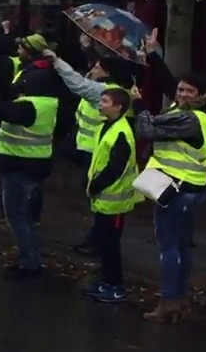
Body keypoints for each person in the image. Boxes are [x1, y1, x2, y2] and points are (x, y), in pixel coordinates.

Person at [135, 30, 206, 323]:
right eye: (180, 90)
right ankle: (179, 298)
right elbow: (170, 84)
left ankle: (169, 300)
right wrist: (155, 54)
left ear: (199, 96)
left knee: (168, 247)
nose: (181, 94)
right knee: (182, 246)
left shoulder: (186, 118)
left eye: (187, 92)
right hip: (191, 189)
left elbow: (147, 129)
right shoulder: (200, 113)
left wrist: (137, 104)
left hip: (175, 190)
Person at [0, 33, 64, 280]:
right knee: (24, 214)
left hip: (20, 166)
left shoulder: (30, 107)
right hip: (32, 164)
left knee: (16, 216)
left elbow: (1, 108)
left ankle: (29, 261)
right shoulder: (46, 103)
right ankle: (29, 257)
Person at [45, 45, 137, 254]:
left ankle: (99, 243)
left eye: (97, 67)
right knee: (96, 203)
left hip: (98, 151)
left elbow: (79, 85)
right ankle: (95, 238)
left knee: (100, 200)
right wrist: (86, 48)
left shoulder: (105, 92)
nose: (93, 69)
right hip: (90, 148)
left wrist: (57, 62)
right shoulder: (108, 88)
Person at [83, 87, 141, 304]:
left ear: (118, 107)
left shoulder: (121, 132)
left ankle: (115, 286)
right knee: (103, 243)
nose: (100, 104)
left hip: (114, 199)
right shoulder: (107, 126)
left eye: (105, 101)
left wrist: (96, 185)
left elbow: (115, 167)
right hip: (103, 198)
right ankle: (106, 281)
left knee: (111, 245)